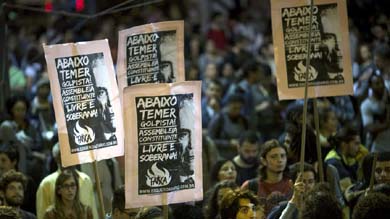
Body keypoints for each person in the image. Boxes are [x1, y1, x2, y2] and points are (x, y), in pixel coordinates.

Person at [36, 143, 97, 219]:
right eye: (65, 155)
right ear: (57, 158)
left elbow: (94, 211)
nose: (70, 158)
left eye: (72, 154)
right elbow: (41, 215)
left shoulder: (86, 179)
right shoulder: (46, 184)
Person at [325, 125, 368, 192]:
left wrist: (362, 163)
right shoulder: (333, 161)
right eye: (356, 143)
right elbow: (350, 188)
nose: (360, 148)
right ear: (344, 144)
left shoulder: (349, 159)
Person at [208, 94, 249, 159]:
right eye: (234, 108)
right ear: (228, 106)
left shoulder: (244, 120)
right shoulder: (219, 119)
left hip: (238, 157)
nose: (237, 111)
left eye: (239, 108)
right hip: (220, 157)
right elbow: (210, 140)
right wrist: (228, 143)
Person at [360, 73, 390, 152]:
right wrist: (386, 124)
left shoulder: (387, 101)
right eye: (377, 83)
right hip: (377, 148)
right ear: (370, 86)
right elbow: (370, 128)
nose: (381, 86)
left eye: (382, 83)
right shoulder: (366, 105)